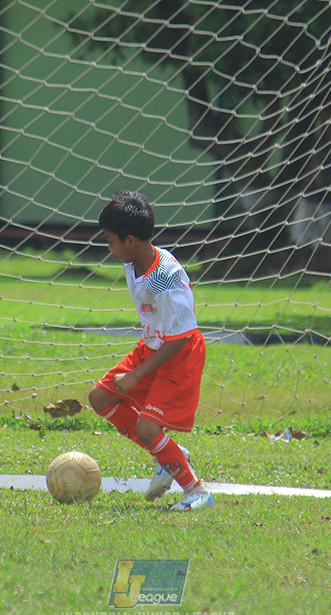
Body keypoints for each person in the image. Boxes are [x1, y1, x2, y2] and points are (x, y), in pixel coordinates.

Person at [87, 190, 214, 511]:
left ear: (130, 240)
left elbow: (180, 339)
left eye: (110, 240)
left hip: (179, 355)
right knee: (100, 398)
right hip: (153, 346)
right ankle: (168, 453)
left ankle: (197, 491)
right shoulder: (134, 260)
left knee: (147, 427)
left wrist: (136, 375)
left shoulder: (167, 278)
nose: (108, 246)